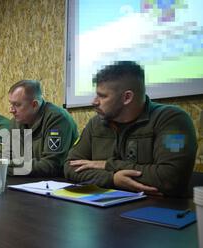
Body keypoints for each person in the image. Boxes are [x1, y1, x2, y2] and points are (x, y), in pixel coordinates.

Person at [64, 61, 197, 197]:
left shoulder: (172, 120)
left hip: (157, 210)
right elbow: (71, 166)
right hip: (105, 207)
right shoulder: (96, 123)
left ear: (127, 97)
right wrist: (112, 179)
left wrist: (107, 165)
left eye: (102, 96)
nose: (94, 101)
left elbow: (170, 178)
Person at [8, 80, 78, 177]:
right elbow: (7, 156)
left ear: (34, 105)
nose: (11, 110)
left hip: (55, 184)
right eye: (11, 104)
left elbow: (51, 165)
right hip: (26, 180)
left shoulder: (57, 119)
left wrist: (6, 165)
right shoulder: (15, 123)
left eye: (17, 105)